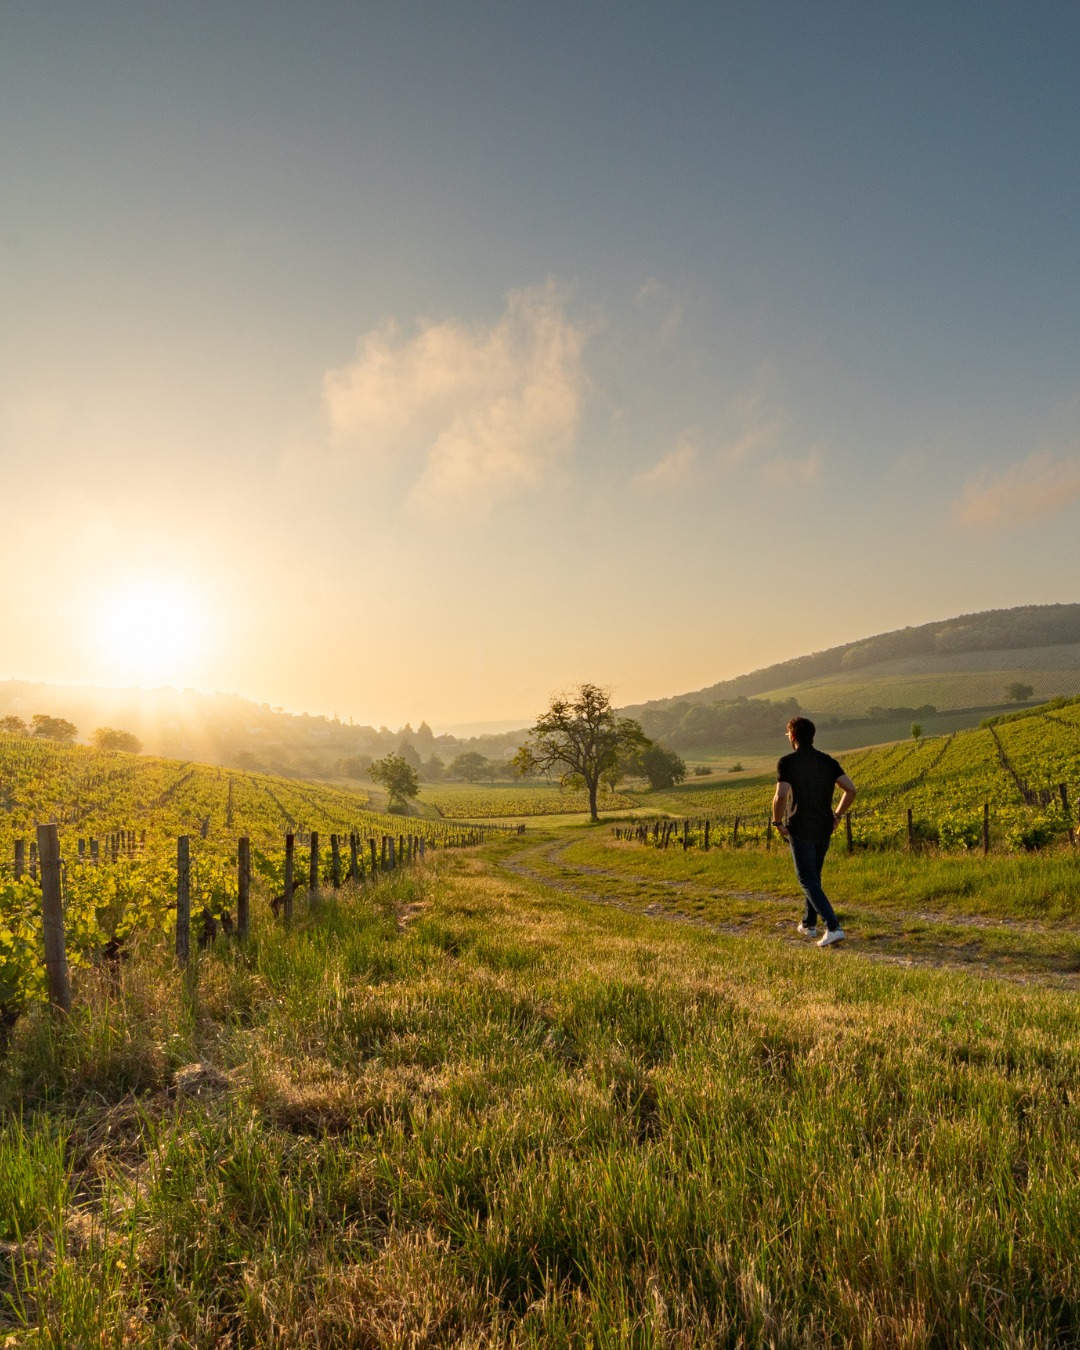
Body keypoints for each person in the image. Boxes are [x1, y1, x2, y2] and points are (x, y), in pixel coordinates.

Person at [772, 715, 856, 947]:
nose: (788, 737)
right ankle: (809, 925)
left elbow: (780, 796)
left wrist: (777, 823)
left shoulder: (787, 762)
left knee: (806, 879)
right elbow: (850, 790)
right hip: (823, 828)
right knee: (814, 878)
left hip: (800, 827)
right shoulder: (828, 761)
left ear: (794, 736)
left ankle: (833, 926)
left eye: (789, 734)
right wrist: (837, 815)